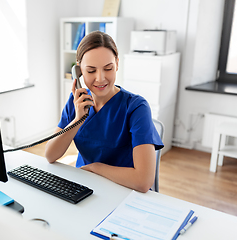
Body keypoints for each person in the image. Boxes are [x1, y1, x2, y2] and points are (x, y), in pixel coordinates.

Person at [45, 31, 164, 193]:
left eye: (108, 68)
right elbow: (50, 155)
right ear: (79, 70)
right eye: (91, 71)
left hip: (125, 190)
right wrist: (78, 120)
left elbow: (143, 181)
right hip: (85, 187)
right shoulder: (76, 103)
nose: (100, 78)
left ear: (117, 64)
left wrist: (96, 168)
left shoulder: (136, 107)